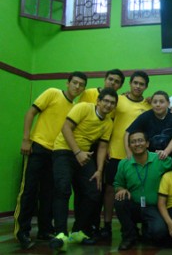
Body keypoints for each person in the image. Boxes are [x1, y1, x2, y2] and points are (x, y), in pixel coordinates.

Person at [14, 71, 87, 250]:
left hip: (56, 153)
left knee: (48, 193)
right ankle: (22, 231)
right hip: (37, 147)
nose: (77, 87)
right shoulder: (52, 93)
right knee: (29, 190)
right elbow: (30, 113)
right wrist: (26, 139)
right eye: (75, 83)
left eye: (81, 85)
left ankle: (45, 229)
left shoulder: (76, 107)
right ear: (67, 83)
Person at [49, 88, 117, 252]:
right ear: (98, 101)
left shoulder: (108, 123)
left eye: (112, 103)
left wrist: (99, 170)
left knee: (94, 191)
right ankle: (60, 233)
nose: (108, 105)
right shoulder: (84, 108)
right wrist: (77, 152)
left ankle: (78, 231)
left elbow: (102, 147)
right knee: (63, 189)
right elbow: (66, 128)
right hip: (64, 151)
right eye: (106, 101)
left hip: (84, 156)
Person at [102, 71, 151, 239]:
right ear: (130, 83)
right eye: (135, 83)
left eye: (142, 84)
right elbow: (108, 122)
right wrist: (106, 144)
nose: (138, 86)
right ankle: (107, 225)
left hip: (138, 156)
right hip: (116, 153)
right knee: (110, 190)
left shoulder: (148, 105)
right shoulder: (119, 100)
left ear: (146, 87)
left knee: (137, 190)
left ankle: (135, 226)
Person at [77, 68, 125, 240]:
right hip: (80, 148)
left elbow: (109, 129)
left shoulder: (117, 102)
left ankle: (95, 225)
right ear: (104, 79)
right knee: (85, 189)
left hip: (102, 149)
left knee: (99, 188)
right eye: (110, 79)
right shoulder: (89, 94)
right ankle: (82, 227)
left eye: (117, 81)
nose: (113, 83)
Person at [113, 130, 172, 250]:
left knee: (159, 234)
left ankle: (147, 229)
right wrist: (121, 189)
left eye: (140, 140)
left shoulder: (159, 159)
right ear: (129, 146)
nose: (137, 144)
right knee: (120, 199)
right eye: (133, 142)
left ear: (147, 144)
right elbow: (118, 184)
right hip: (134, 205)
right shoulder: (124, 163)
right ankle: (129, 236)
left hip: (153, 207)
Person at [125, 90, 172, 159]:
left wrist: (165, 153)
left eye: (161, 102)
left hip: (171, 156)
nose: (158, 104)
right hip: (151, 158)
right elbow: (128, 133)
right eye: (155, 102)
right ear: (151, 103)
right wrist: (129, 153)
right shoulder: (145, 116)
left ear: (168, 103)